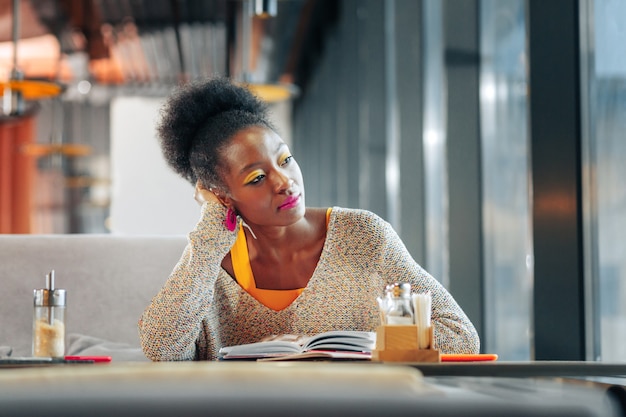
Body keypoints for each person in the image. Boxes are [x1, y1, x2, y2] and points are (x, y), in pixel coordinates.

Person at [138, 77, 480, 361]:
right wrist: (209, 242)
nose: (284, 182)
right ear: (223, 196)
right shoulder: (210, 260)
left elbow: (461, 337)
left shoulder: (362, 236)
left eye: (285, 160)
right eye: (256, 178)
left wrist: (365, 352)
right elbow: (162, 351)